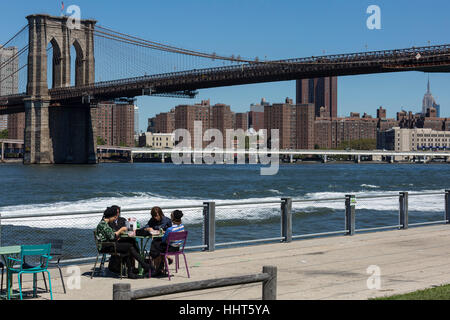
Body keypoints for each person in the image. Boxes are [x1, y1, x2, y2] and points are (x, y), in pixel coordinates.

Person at [96, 207, 152, 279]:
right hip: (106, 246)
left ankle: (132, 271)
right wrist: (121, 230)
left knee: (128, 246)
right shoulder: (103, 225)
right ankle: (142, 266)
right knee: (129, 246)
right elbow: (112, 236)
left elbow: (111, 234)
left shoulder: (104, 224)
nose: (114, 219)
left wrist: (119, 233)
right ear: (111, 216)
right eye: (114, 217)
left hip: (109, 244)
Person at [150, 210, 185, 276]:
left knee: (155, 246)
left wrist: (164, 233)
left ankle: (158, 269)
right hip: (177, 248)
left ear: (172, 218)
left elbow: (163, 240)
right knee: (158, 247)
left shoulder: (170, 229)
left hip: (169, 249)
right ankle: (162, 267)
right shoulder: (182, 227)